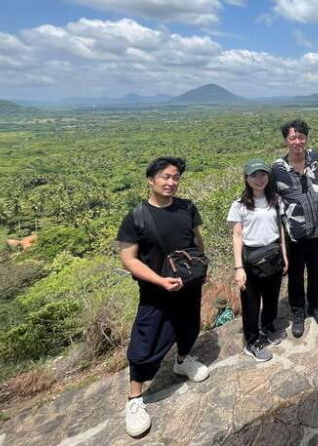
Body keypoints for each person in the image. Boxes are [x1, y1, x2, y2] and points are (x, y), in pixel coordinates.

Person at [116, 157, 210, 438]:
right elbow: (128, 260)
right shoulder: (136, 217)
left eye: (176, 177)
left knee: (189, 326)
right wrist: (159, 280)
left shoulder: (187, 207)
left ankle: (182, 360)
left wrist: (201, 268)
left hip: (189, 283)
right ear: (151, 180)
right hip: (156, 291)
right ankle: (134, 399)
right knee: (147, 338)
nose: (171, 182)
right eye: (165, 177)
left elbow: (197, 241)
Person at [271, 119, 318, 338]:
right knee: (295, 273)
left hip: (317, 228)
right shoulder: (277, 169)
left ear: (306, 139)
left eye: (301, 137)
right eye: (293, 138)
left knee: (316, 270)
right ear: (286, 140)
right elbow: (273, 200)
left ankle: (314, 304)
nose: (297, 142)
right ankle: (298, 311)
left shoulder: (314, 159)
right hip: (294, 232)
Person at [228, 159, 288, 362]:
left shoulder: (275, 200)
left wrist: (285, 255)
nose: (259, 179)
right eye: (254, 175)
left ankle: (269, 327)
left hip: (273, 253)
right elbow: (237, 236)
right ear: (246, 179)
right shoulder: (239, 205)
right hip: (251, 257)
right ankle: (252, 341)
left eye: (262, 174)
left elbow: (280, 229)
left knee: (272, 296)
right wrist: (238, 267)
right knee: (251, 303)